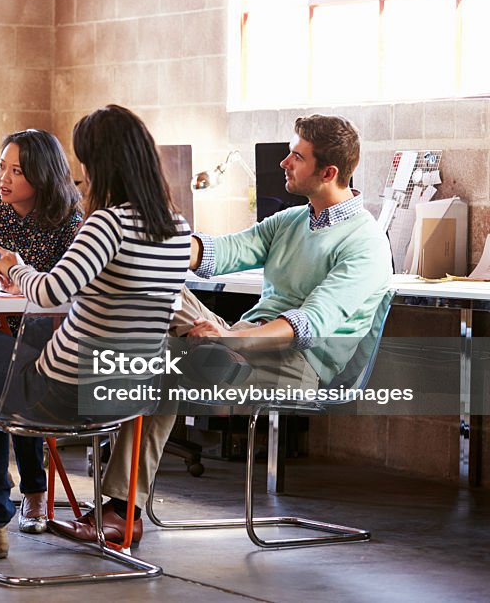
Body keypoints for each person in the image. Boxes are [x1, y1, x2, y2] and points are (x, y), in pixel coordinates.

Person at [51, 114, 393, 544]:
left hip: (304, 365)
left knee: (161, 372)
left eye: (296, 156)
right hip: (246, 341)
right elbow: (226, 251)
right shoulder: (291, 220)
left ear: (329, 172)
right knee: (166, 289)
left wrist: (229, 339)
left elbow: (310, 323)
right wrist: (154, 238)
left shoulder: (365, 242)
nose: (284, 162)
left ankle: (123, 511)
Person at [0, 105, 191, 558]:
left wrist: (14, 266)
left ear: (102, 164)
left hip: (65, 389)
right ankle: (17, 499)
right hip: (128, 395)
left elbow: (49, 292)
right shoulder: (177, 229)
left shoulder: (107, 222)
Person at [0, 129, 82, 535]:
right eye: (1, 167)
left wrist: (24, 282)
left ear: (43, 176)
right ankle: (30, 493)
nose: (4, 178)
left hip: (52, 348)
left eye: (18, 171)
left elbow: (68, 296)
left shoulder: (69, 225)